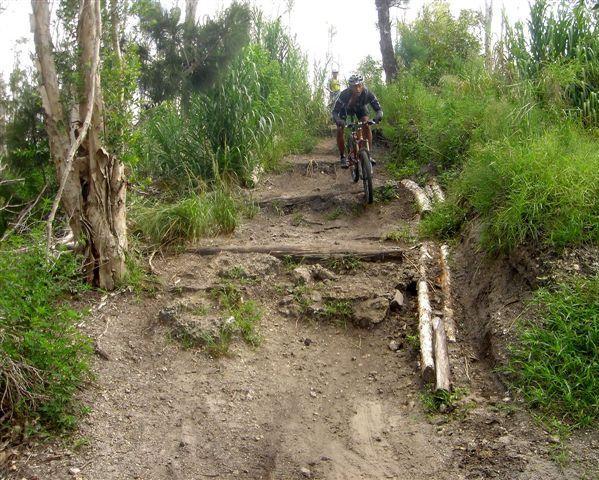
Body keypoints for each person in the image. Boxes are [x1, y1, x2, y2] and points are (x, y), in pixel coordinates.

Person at [331, 74, 383, 169]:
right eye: (355, 87)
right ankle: (342, 156)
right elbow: (334, 112)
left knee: (366, 124)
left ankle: (368, 154)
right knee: (340, 129)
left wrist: (378, 116)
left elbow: (378, 109)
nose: (358, 89)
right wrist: (338, 120)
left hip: (360, 108)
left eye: (359, 85)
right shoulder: (344, 95)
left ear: (362, 85)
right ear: (350, 87)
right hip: (345, 109)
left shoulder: (367, 93)